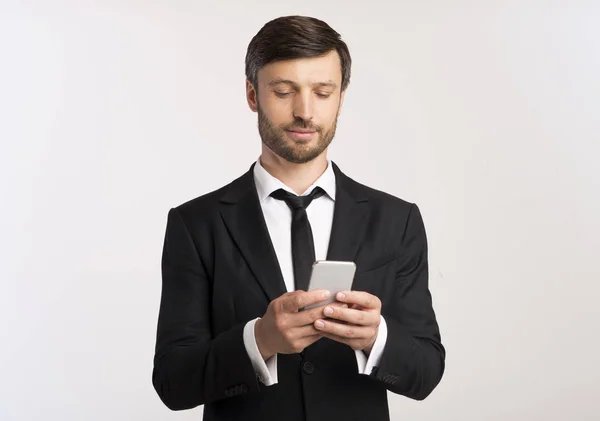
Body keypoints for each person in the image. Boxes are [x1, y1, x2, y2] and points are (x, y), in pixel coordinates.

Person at [152, 15, 445, 421]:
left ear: (341, 97)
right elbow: (172, 381)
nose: (305, 112)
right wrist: (260, 339)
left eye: (322, 92)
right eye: (284, 91)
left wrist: (377, 338)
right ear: (253, 95)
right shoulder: (195, 224)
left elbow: (427, 372)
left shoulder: (397, 220)